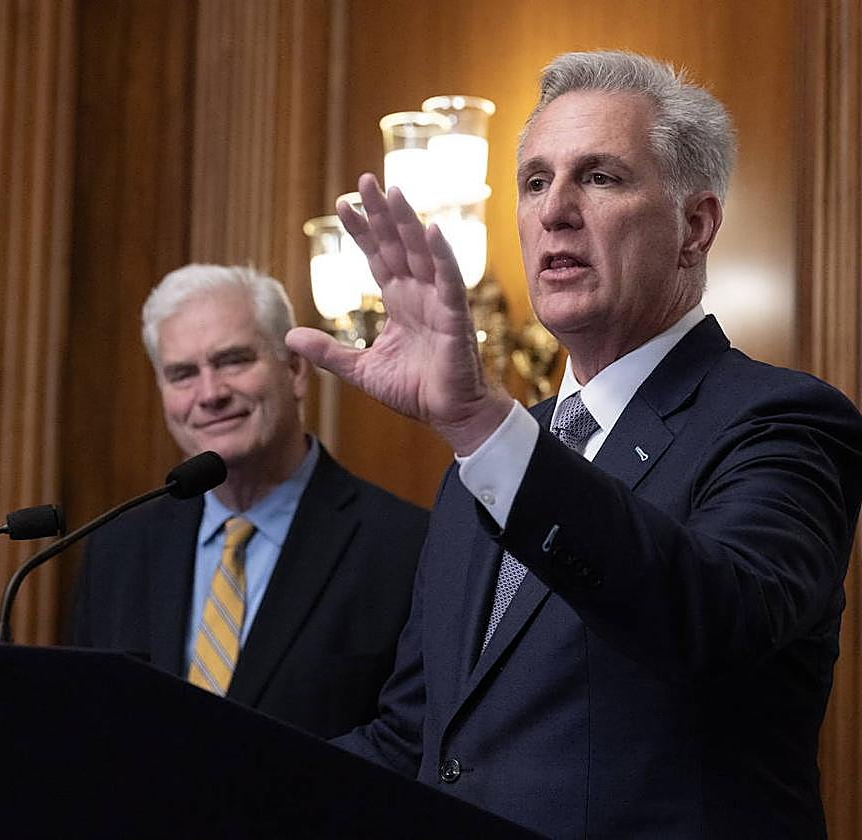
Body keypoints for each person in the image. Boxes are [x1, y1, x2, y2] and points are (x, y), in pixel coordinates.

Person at [286, 50, 862, 837]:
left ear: (695, 227)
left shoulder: (781, 420)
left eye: (599, 177)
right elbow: (418, 742)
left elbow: (715, 620)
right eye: (534, 182)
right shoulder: (482, 469)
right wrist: (218, 782)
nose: (554, 210)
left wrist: (482, 426)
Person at [70, 263, 429, 738]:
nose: (210, 394)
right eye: (182, 374)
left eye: (232, 361)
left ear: (295, 370)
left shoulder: (405, 548)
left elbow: (408, 742)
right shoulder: (117, 550)